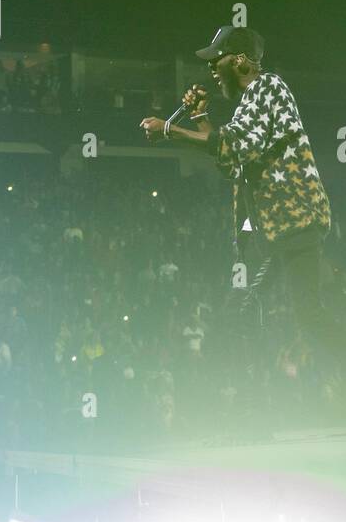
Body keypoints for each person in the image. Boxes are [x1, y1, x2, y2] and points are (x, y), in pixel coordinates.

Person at [141, 26, 336, 390]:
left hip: (296, 222)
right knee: (252, 313)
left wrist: (170, 130)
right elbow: (232, 161)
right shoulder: (249, 103)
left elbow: (237, 145)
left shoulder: (269, 87)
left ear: (242, 60)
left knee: (306, 315)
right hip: (274, 231)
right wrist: (200, 118)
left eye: (219, 59)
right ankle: (256, 413)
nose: (213, 68)